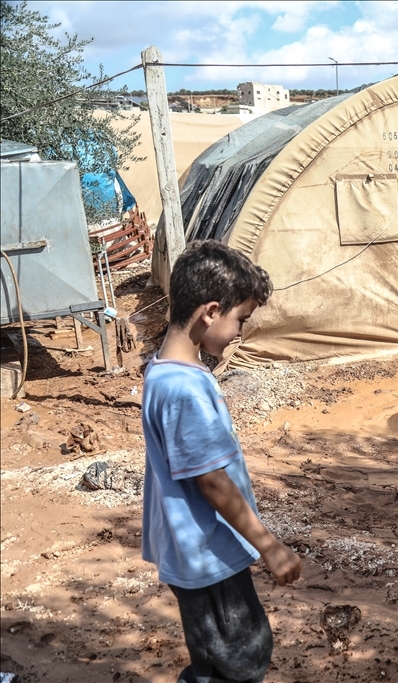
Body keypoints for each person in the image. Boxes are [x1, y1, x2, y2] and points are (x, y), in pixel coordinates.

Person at [141, 240, 301, 683]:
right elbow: (210, 480)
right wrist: (268, 544)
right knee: (241, 658)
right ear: (210, 311)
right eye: (240, 319)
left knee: (216, 655)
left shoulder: (162, 371)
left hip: (195, 549)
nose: (240, 333)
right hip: (205, 553)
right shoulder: (185, 391)